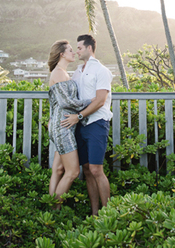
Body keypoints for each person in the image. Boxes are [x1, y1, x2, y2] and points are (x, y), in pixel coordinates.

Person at [61, 34, 112, 216]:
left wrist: (79, 116)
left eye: (80, 48)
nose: (77, 51)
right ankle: (95, 214)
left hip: (97, 123)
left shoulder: (102, 71)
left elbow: (100, 101)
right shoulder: (77, 72)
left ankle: (108, 216)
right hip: (80, 126)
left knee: (97, 169)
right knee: (87, 171)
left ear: (89, 48)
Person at [47, 40, 92, 206]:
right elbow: (67, 102)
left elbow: (56, 102)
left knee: (59, 170)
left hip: (63, 124)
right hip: (63, 126)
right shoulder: (58, 73)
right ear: (62, 54)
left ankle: (51, 208)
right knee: (72, 172)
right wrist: (92, 101)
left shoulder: (63, 73)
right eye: (71, 50)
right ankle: (55, 209)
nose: (74, 53)